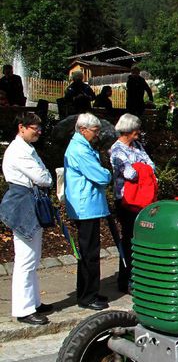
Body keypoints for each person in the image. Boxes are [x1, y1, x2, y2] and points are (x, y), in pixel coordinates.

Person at [0, 113, 53, 325]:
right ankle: (23, 309)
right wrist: (45, 177)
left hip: (29, 201)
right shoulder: (18, 151)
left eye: (40, 127)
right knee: (25, 258)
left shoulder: (27, 148)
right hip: (23, 203)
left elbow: (43, 176)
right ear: (21, 127)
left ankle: (33, 302)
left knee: (33, 257)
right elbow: (43, 177)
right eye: (35, 128)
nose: (39, 131)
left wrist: (44, 177)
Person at [64, 113, 111, 311]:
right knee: (89, 253)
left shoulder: (82, 146)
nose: (97, 134)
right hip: (86, 206)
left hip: (88, 205)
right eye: (94, 130)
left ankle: (90, 291)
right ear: (83, 130)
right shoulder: (80, 150)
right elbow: (101, 176)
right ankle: (87, 296)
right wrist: (107, 173)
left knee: (91, 252)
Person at [109, 114, 156, 293]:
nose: (139, 132)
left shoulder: (137, 146)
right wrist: (142, 169)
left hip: (143, 199)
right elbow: (130, 174)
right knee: (129, 239)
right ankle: (125, 279)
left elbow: (152, 166)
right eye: (137, 129)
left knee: (142, 238)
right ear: (129, 130)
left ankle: (140, 276)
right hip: (126, 201)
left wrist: (140, 168)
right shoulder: (117, 150)